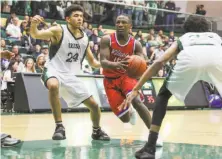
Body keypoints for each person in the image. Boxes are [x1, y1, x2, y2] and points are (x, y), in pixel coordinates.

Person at [121, 15, 222, 159]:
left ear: (186, 29)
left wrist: (137, 88)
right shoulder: (215, 37)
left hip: (190, 58)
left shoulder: (184, 38)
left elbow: (160, 62)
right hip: (217, 58)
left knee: (163, 95)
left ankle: (150, 147)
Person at [30, 5, 110, 141]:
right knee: (53, 85)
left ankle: (96, 131)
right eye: (76, 16)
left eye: (81, 16)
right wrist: (33, 24)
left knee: (95, 106)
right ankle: (59, 126)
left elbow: (93, 63)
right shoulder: (58, 30)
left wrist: (109, 63)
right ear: (67, 19)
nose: (80, 18)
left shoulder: (85, 39)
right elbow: (35, 34)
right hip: (53, 69)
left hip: (70, 76)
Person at [100, 14, 162, 146]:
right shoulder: (107, 40)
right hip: (110, 80)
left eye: (123, 22)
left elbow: (141, 61)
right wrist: (115, 65)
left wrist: (141, 63)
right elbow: (103, 61)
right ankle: (130, 111)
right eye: (118, 22)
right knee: (125, 119)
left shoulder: (136, 44)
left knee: (137, 102)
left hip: (126, 77)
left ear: (130, 26)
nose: (120, 25)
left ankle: (154, 136)